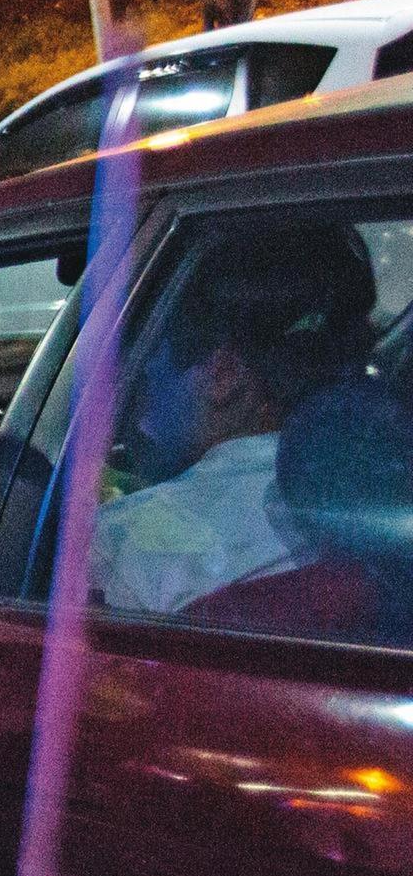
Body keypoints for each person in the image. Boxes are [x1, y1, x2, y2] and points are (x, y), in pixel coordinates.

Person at [92, 221, 377, 616]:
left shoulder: (122, 544)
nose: (140, 387)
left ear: (222, 375)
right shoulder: (380, 500)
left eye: (152, 359)